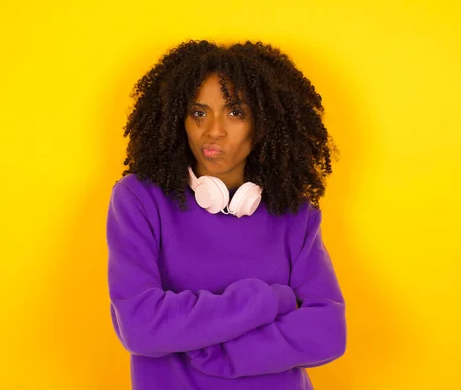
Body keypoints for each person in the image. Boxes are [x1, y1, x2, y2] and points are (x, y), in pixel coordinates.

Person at [106, 39, 346, 390]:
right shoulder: (138, 200)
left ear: (264, 123)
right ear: (179, 119)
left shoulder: (295, 213)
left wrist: (214, 352)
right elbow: (140, 326)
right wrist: (271, 300)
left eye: (236, 113)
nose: (213, 130)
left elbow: (327, 333)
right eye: (199, 113)